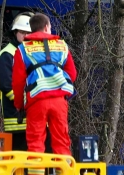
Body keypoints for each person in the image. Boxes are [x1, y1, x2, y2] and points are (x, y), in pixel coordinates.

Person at [12, 13, 77, 166]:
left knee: (35, 144)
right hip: (59, 102)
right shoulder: (62, 46)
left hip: (36, 102)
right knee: (61, 143)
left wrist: (20, 105)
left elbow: (17, 82)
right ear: (47, 27)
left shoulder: (22, 49)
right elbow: (72, 74)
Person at [0, 13, 32, 152]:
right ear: (15, 32)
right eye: (22, 32)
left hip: (33, 119)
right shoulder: (8, 54)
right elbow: (6, 85)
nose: (26, 36)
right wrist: (25, 104)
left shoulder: (30, 52)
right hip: (16, 120)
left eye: (29, 33)